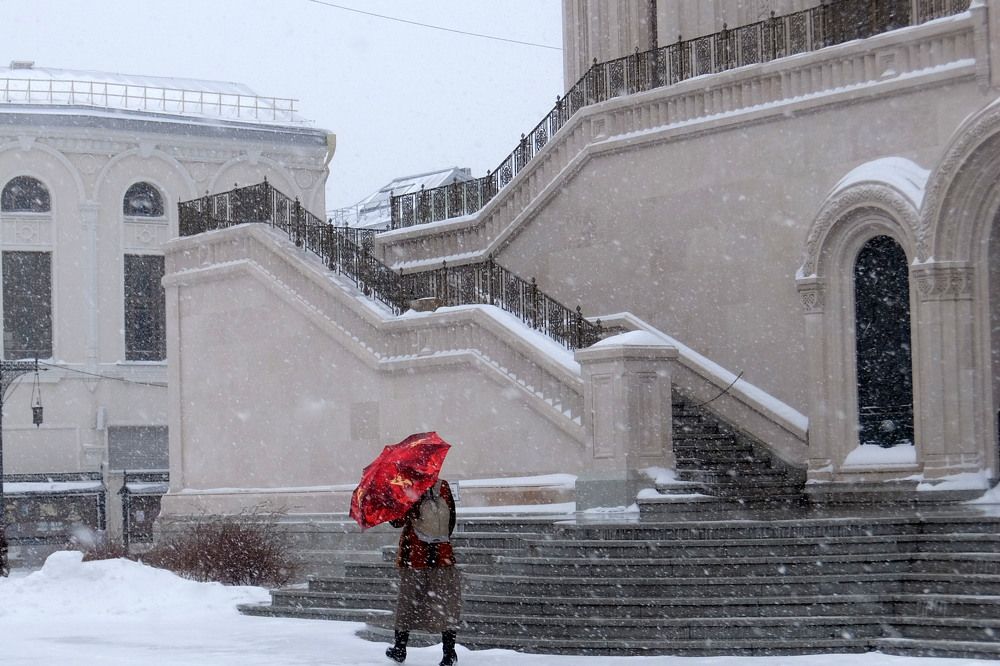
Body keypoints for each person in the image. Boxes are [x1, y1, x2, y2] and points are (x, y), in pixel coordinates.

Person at [385, 478, 461, 665]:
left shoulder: (408, 488)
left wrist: (390, 500)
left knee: (407, 605)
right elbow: (451, 520)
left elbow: (397, 521)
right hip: (443, 555)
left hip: (415, 556)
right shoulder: (442, 485)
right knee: (446, 604)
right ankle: (449, 653)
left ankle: (400, 649)